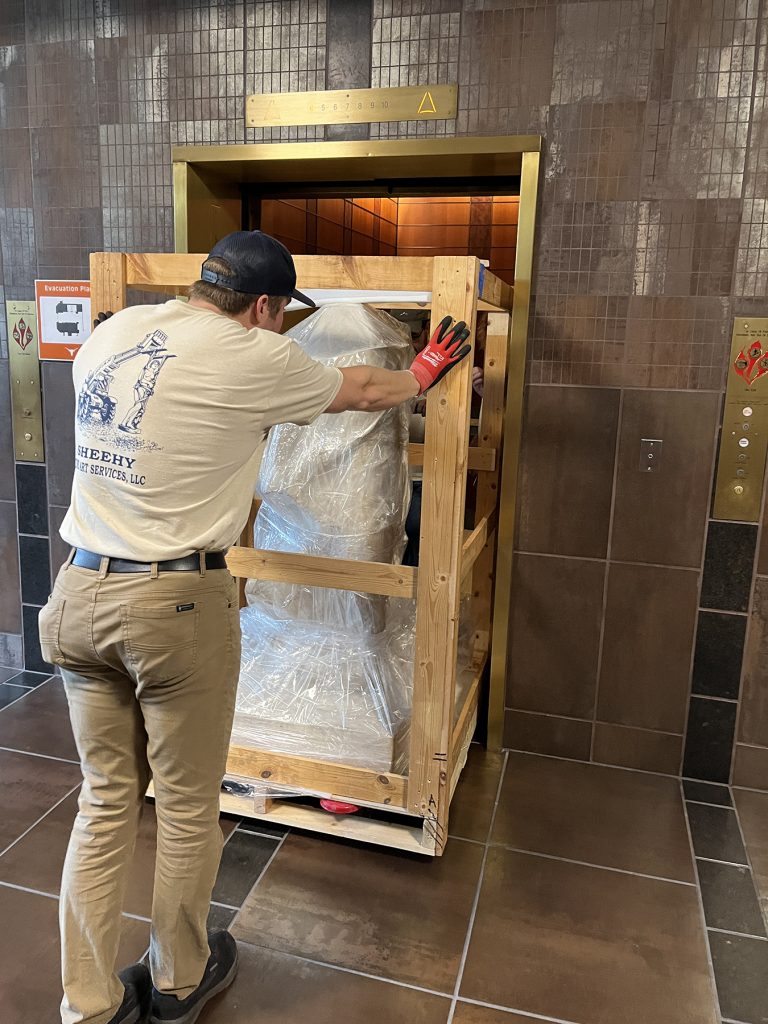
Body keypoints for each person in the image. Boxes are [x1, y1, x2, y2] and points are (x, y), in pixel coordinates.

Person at [38, 230, 471, 1024]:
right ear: (265, 307)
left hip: (76, 593)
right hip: (173, 608)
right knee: (186, 805)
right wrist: (421, 371)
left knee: (103, 805)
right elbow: (366, 391)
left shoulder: (113, 334)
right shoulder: (252, 356)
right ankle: (176, 982)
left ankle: (88, 1005)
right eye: (281, 318)